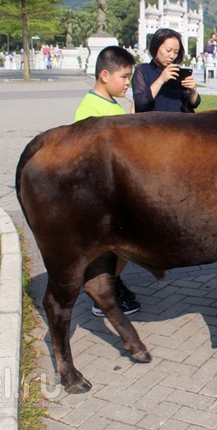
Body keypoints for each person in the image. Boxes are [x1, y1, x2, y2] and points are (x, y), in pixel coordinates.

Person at [73, 45, 141, 316]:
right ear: (104, 75)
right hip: (104, 194)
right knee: (120, 245)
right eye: (124, 77)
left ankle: (109, 283)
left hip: (117, 190)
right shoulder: (90, 109)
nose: (128, 83)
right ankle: (102, 290)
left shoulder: (113, 105)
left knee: (125, 246)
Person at [132, 28, 200, 113]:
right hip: (151, 124)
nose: (172, 56)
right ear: (156, 47)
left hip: (175, 123)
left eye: (176, 52)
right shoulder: (142, 71)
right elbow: (140, 102)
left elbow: (194, 103)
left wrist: (192, 90)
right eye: (168, 50)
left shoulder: (176, 72)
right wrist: (161, 79)